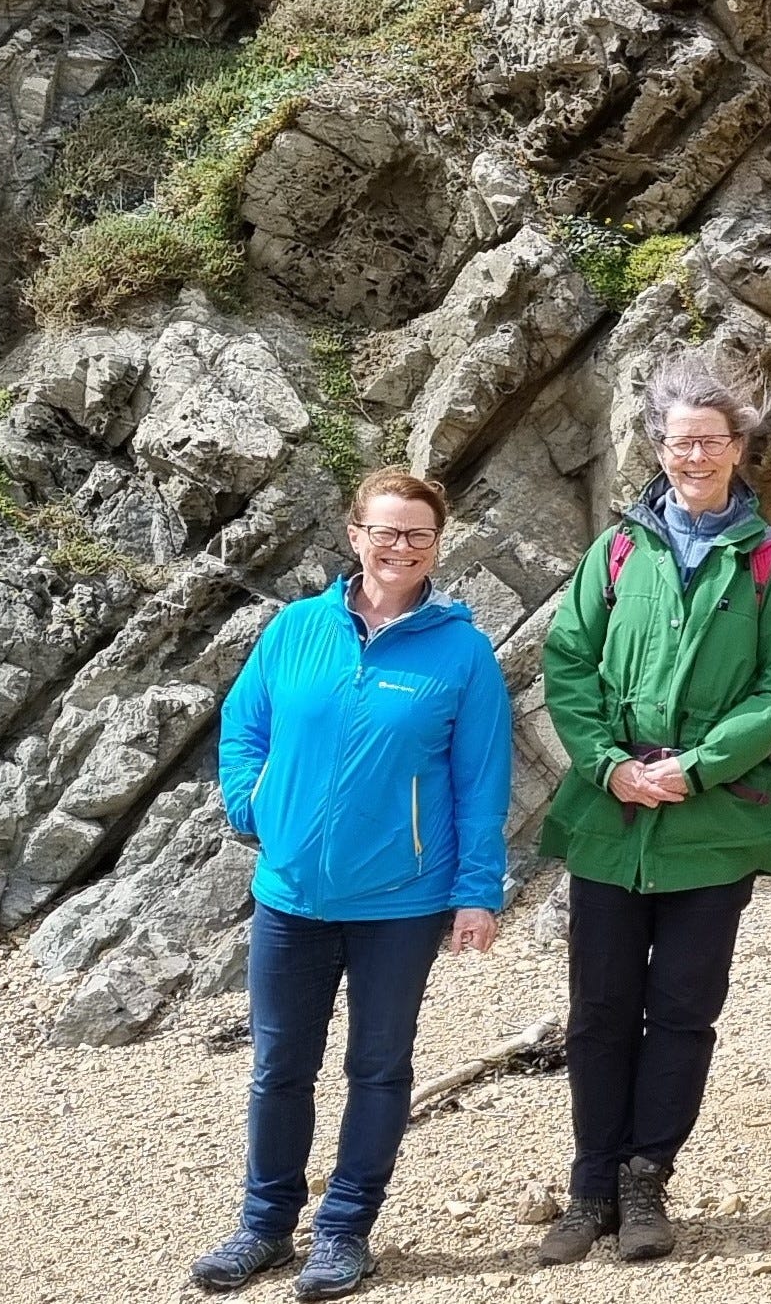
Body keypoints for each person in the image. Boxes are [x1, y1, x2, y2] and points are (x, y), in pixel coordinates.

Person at [192, 470, 513, 1300]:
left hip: (401, 900)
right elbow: (244, 726)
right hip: (290, 893)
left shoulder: (463, 652)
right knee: (278, 1066)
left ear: (437, 544)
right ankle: (264, 1224)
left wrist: (478, 890)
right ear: (355, 534)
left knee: (377, 1066)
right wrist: (253, 802)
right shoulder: (296, 627)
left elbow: (481, 781)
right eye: (385, 531)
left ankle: (343, 1231)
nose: (400, 547)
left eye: (418, 534)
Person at [533, 351, 771, 1266]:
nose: (694, 455)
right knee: (598, 1009)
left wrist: (696, 767)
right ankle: (590, 1185)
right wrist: (609, 764)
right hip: (610, 818)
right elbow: (568, 662)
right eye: (678, 441)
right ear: (657, 446)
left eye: (711, 440)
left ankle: (644, 1178)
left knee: (684, 1009)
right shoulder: (618, 549)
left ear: (739, 445)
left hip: (713, 822)